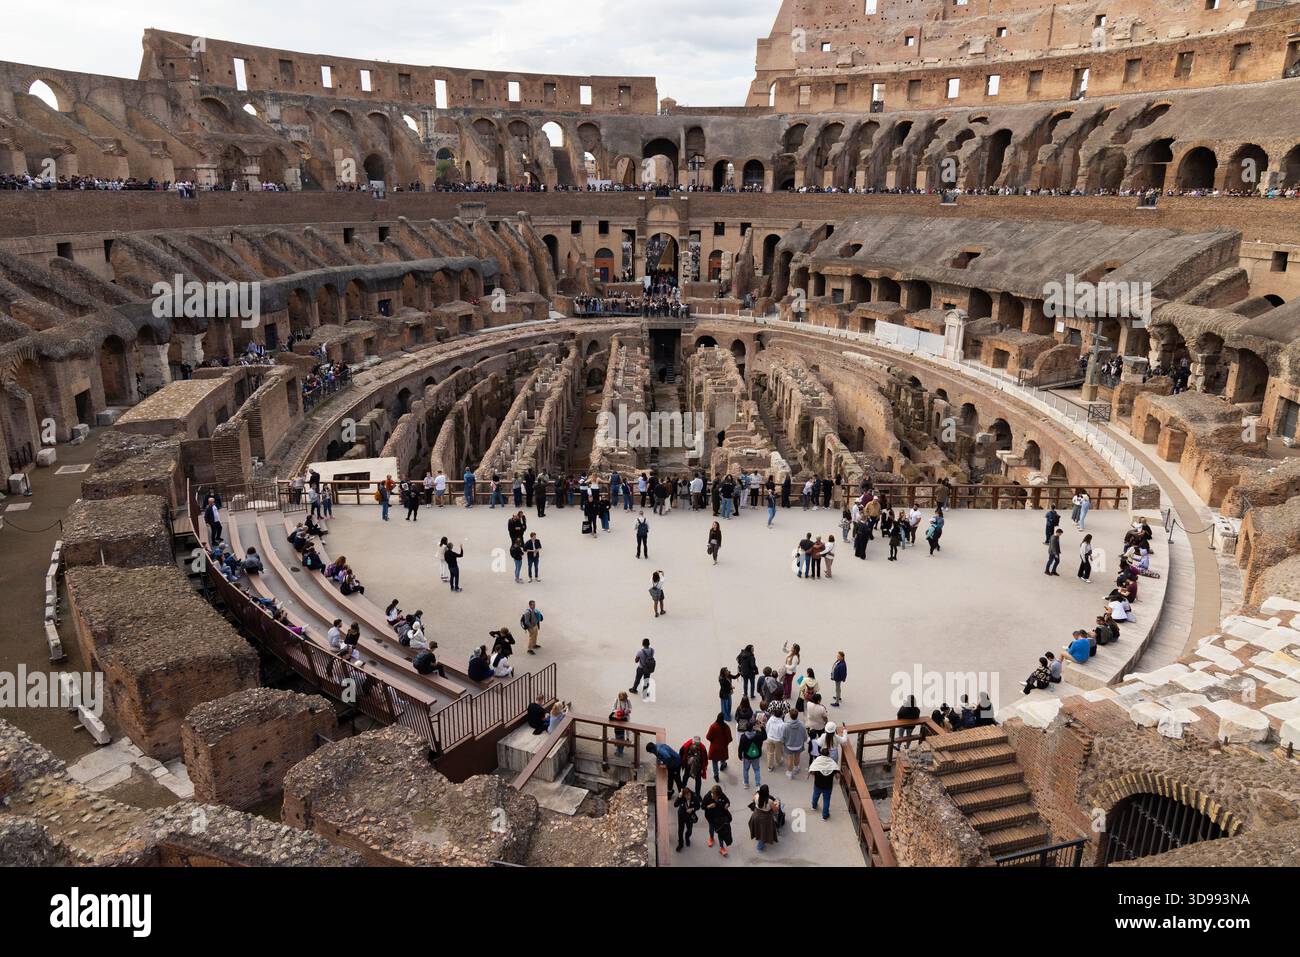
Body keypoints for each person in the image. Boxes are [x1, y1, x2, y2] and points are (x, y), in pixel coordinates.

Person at [701, 784, 733, 857]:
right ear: (713, 793)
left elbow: (727, 801)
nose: (717, 797)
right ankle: (711, 838)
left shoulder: (721, 794)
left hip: (720, 818)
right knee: (711, 828)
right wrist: (708, 806)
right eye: (716, 796)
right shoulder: (708, 796)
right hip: (711, 818)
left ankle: (722, 848)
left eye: (718, 796)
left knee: (720, 832)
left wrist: (727, 804)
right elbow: (702, 806)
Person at [809, 748, 839, 821]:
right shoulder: (832, 763)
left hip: (818, 784)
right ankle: (825, 816)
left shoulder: (817, 761)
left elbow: (812, 771)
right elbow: (837, 775)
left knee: (815, 796)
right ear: (828, 754)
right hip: (828, 786)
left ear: (821, 754)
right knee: (826, 800)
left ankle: (814, 806)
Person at [748, 785, 781, 851]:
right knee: (763, 832)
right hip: (765, 818)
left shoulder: (757, 796)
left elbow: (753, 799)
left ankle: (758, 838)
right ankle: (760, 846)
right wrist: (777, 803)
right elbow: (775, 810)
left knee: (758, 829)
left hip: (756, 815)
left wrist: (756, 793)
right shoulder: (769, 801)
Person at [737, 719, 766, 788]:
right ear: (753, 728)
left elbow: (740, 747)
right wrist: (762, 727)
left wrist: (740, 755)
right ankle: (758, 785)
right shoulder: (758, 735)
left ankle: (746, 783)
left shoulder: (743, 737)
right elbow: (765, 737)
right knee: (757, 769)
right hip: (756, 755)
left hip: (747, 756)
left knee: (745, 769)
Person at [706, 712, 733, 780]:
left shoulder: (713, 726)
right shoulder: (726, 727)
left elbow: (708, 737)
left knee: (714, 762)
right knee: (723, 758)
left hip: (714, 748)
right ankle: (723, 765)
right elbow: (730, 739)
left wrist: (713, 741)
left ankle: (716, 775)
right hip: (723, 748)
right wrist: (725, 743)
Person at [674, 786, 700, 852]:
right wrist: (679, 797)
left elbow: (698, 806)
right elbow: (675, 805)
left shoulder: (694, 797)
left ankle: (687, 837)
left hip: (690, 816)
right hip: (681, 815)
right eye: (686, 796)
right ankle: (680, 844)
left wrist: (692, 809)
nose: (688, 797)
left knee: (689, 830)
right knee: (680, 830)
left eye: (689, 795)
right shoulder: (682, 797)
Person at [610, 691, 632, 757]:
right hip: (618, 718)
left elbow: (630, 708)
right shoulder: (616, 700)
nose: (623, 701)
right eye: (621, 700)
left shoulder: (628, 701)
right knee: (618, 731)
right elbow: (613, 709)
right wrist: (618, 711)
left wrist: (626, 711)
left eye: (624, 700)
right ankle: (618, 743)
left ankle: (627, 739)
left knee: (627, 729)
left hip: (625, 717)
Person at [764, 707, 787, 772]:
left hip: (770, 738)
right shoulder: (782, 724)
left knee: (770, 753)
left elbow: (767, 727)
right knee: (778, 752)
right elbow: (783, 734)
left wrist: (768, 735)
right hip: (778, 740)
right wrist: (783, 741)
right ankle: (778, 761)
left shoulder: (771, 719)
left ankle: (770, 767)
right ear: (781, 715)